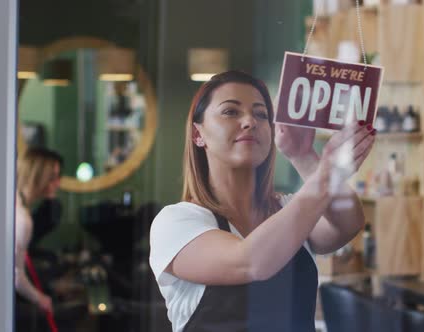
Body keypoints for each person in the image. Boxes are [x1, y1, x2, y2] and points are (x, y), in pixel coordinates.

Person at [149, 70, 376, 332]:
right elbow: (250, 262)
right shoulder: (177, 223)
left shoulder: (290, 209)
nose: (250, 121)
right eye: (230, 112)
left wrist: (302, 155)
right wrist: (327, 173)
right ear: (197, 134)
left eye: (261, 114)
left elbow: (347, 224)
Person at [15, 147, 63, 314]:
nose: (58, 183)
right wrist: (40, 299)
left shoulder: (15, 204)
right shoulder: (23, 220)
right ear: (38, 176)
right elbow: (16, 276)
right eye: (53, 177)